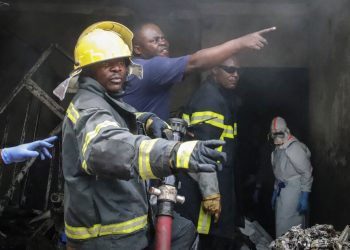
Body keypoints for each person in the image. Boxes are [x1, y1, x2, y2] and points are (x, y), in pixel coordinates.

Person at [59, 21, 226, 250]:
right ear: (88, 70)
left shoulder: (105, 100)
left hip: (126, 220)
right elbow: (107, 146)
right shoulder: (89, 108)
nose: (117, 68)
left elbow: (120, 117)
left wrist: (147, 119)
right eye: (107, 63)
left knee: (183, 231)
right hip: (108, 236)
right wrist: (173, 153)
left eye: (121, 62)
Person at [123, 22, 276, 121]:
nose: (163, 42)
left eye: (163, 38)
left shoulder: (135, 68)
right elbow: (196, 62)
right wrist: (242, 42)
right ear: (138, 49)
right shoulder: (152, 67)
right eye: (155, 40)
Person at [177, 57, 243, 249]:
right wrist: (211, 194)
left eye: (238, 71)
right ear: (214, 69)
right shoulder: (209, 100)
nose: (235, 74)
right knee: (207, 239)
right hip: (206, 188)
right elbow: (202, 152)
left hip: (220, 180)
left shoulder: (219, 96)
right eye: (230, 70)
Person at [270, 116, 313, 237]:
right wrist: (275, 191)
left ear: (285, 130)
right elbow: (278, 173)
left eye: (278, 133)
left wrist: (305, 195)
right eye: (273, 134)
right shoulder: (277, 150)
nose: (276, 137)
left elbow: (306, 172)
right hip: (282, 192)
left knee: (293, 229)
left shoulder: (294, 148)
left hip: (295, 192)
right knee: (281, 226)